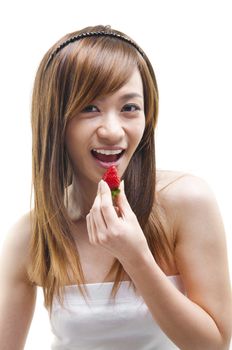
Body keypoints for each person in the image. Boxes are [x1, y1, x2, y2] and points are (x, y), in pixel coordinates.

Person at [0, 24, 231, 350]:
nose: (112, 130)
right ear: (55, 121)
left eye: (129, 108)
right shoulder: (31, 234)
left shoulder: (186, 201)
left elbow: (215, 344)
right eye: (89, 108)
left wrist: (135, 257)